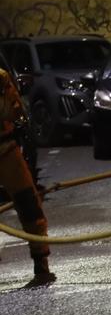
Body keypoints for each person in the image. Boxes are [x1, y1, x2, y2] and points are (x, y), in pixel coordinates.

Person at [0, 69, 53, 287]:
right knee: (28, 202)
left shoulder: (1, 78)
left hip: (5, 149)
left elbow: (14, 111)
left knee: (28, 203)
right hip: (7, 149)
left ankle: (40, 259)